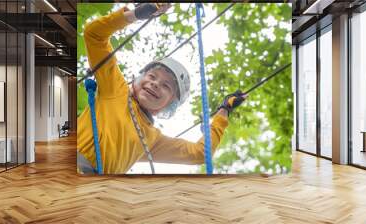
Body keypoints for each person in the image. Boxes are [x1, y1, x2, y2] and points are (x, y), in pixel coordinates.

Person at [77, 3, 246, 174]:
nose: (156, 84)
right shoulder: (116, 88)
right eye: (152, 76)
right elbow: (94, 34)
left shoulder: (152, 139)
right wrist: (135, 14)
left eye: (166, 86)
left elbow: (199, 153)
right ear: (138, 79)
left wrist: (223, 112)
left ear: (168, 105)